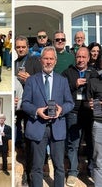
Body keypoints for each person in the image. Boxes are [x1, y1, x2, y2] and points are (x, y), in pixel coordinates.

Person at [22, 46, 74, 187]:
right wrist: (36, 110)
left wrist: (61, 109)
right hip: (37, 127)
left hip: (57, 128)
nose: (49, 62)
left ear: (55, 61)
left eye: (51, 59)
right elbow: (25, 103)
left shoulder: (62, 81)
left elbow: (70, 103)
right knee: (37, 167)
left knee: (59, 167)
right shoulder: (32, 80)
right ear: (41, 60)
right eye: (46, 58)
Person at [62, 47, 98, 186]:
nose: (81, 59)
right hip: (73, 112)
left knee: (91, 143)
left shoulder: (93, 73)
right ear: (75, 57)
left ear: (88, 58)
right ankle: (72, 172)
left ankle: (91, 171)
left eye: (84, 57)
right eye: (78, 57)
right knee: (73, 143)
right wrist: (74, 84)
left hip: (90, 113)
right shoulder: (68, 72)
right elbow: (63, 91)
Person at [14, 35, 41, 185]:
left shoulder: (35, 61)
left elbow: (41, 83)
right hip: (18, 106)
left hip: (31, 106)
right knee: (19, 137)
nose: (21, 49)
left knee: (30, 138)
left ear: (28, 46)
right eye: (18, 47)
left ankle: (29, 171)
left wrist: (29, 78)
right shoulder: (14, 62)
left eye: (23, 47)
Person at [87, 69, 102, 187]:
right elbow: (87, 101)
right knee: (98, 160)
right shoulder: (94, 81)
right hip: (98, 123)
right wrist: (91, 105)